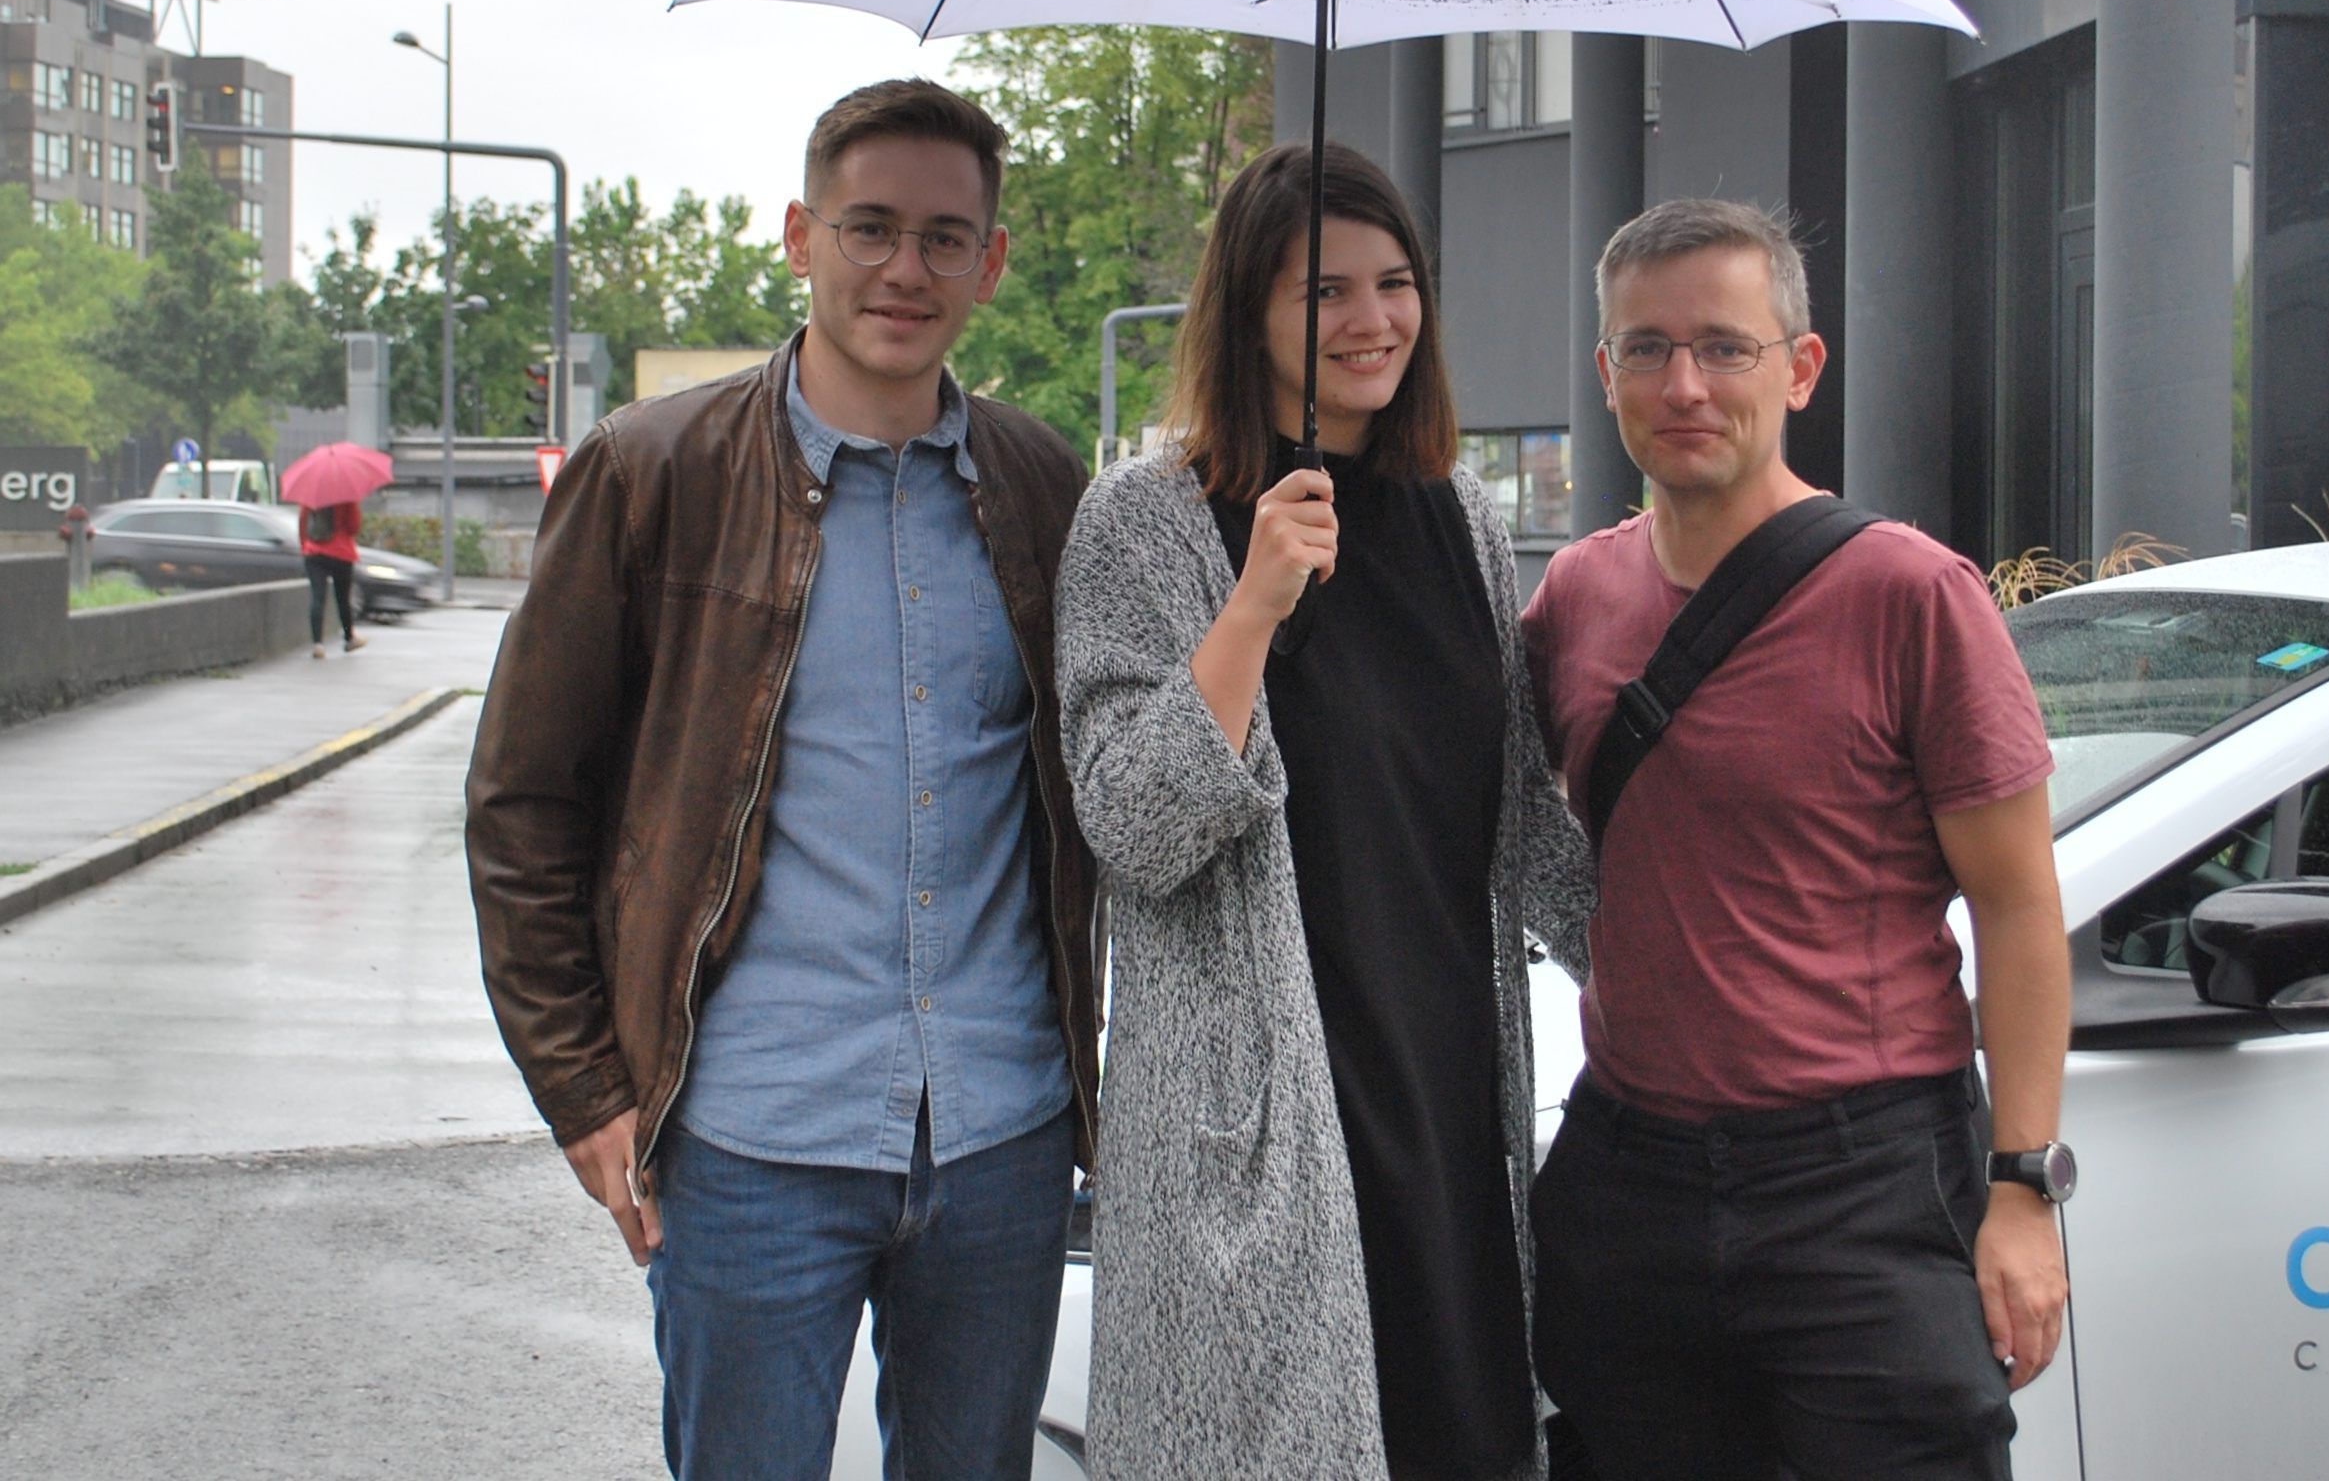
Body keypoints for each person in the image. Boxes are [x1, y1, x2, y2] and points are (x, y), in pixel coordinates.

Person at [464, 78, 1099, 1481]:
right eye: (870, 228)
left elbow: (1104, 789)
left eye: (946, 238)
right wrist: (583, 1093)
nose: (904, 269)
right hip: (748, 1138)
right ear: (802, 234)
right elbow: (523, 803)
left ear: (990, 263)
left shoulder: (1045, 485)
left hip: (999, 1131)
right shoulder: (652, 471)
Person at [1055, 141, 1596, 1481]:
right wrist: (1250, 611)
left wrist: (1697, 996)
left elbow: (1519, 815)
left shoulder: (1456, 515)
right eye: (1323, 293)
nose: (1371, 321)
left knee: (1457, 1441)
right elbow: (1129, 823)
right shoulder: (1148, 523)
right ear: (1246, 312)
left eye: (1395, 282)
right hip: (1268, 1114)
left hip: (1450, 1092)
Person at [1521, 197, 2071, 1481]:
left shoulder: (1910, 595)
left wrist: (2024, 1191)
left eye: (1726, 346)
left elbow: (2020, 906)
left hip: (1862, 1184)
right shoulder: (1577, 597)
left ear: (1801, 367)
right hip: (1627, 1175)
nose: (1686, 383)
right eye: (1646, 350)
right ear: (1607, 377)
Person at [300, 498, 365, 659]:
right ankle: (349, 638)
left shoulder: (313, 495)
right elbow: (354, 527)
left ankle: (318, 644)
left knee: (317, 597)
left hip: (314, 553)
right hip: (342, 553)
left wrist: (305, 546)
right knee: (343, 598)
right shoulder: (347, 497)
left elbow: (303, 523)